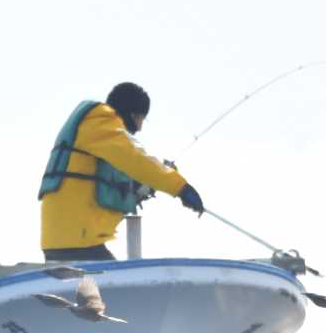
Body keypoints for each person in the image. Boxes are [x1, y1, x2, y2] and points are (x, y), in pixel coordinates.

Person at [37, 82, 205, 261]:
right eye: (141, 119)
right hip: (78, 241)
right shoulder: (99, 121)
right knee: (112, 283)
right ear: (133, 115)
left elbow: (112, 180)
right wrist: (180, 187)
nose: (139, 128)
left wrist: (142, 187)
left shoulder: (95, 131)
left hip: (67, 239)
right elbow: (135, 159)